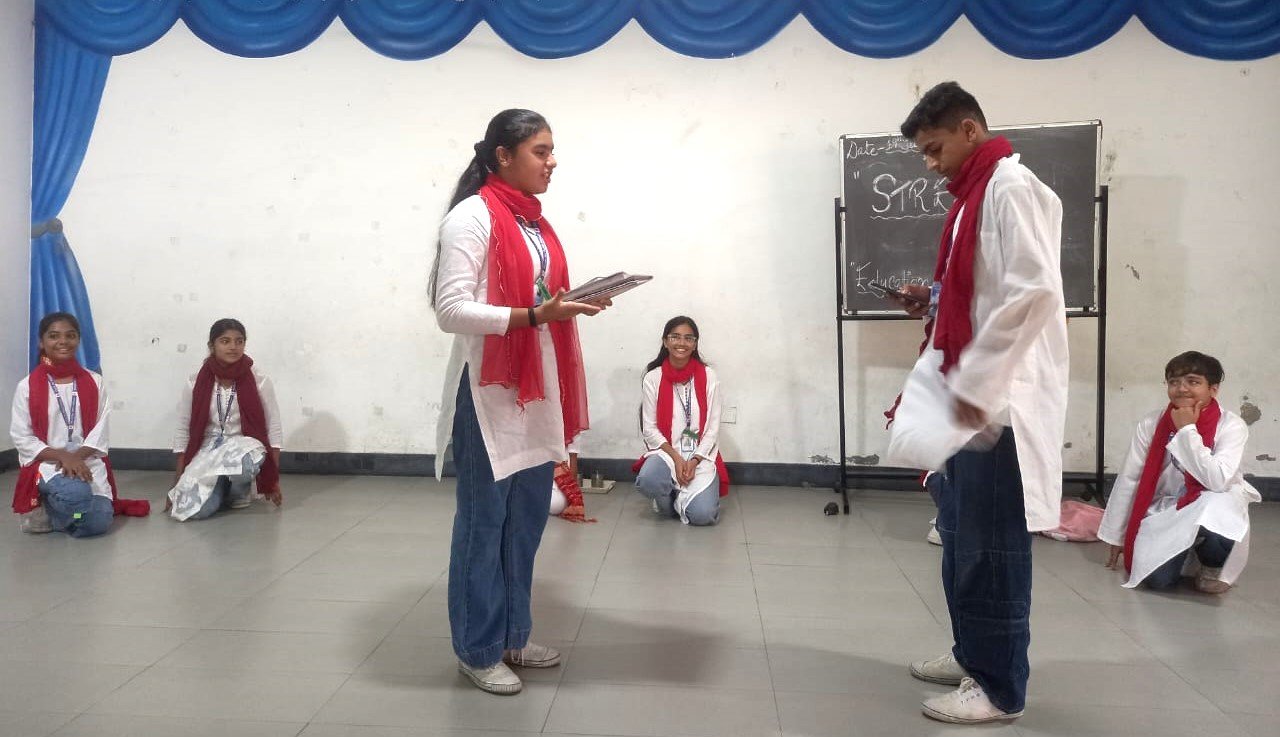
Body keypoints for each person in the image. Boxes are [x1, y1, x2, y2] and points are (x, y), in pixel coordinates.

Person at [889, 82, 1069, 724]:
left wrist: (978, 384)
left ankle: (998, 688)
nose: (929, 163)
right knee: (961, 534)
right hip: (969, 397)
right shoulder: (974, 193)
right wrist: (934, 300)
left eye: (934, 148)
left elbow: (1034, 293)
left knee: (992, 547)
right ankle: (973, 652)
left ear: (969, 129)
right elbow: (988, 291)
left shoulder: (1010, 187)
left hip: (997, 403)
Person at [431, 109, 606, 695]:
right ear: (503, 156)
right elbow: (450, 310)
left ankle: (512, 634)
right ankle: (476, 648)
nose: (553, 161)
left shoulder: (531, 221)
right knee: (484, 524)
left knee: (525, 521)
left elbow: (539, 298)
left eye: (552, 150)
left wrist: (569, 302)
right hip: (488, 394)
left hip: (534, 390)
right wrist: (534, 315)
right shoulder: (471, 217)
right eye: (541, 151)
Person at [1098, 351, 1260, 593]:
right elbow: (1130, 479)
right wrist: (1118, 536)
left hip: (1211, 504)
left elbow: (1216, 480)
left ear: (1213, 389)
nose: (1182, 389)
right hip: (1165, 510)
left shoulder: (1231, 425)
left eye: (1193, 382)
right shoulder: (1151, 423)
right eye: (1174, 382)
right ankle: (1185, 547)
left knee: (1217, 504)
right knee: (1158, 582)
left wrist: (1187, 431)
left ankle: (1212, 563)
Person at [10, 312, 148, 537]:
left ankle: (60, 517)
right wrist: (64, 456)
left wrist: (76, 458)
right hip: (50, 465)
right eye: (54, 336)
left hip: (87, 461)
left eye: (70, 335)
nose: (63, 341)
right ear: (41, 342)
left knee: (96, 522)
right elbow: (22, 437)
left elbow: (100, 430)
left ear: (78, 340)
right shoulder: (27, 386)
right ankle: (57, 502)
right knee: (77, 495)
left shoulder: (94, 381)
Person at [167, 319, 283, 520]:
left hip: (243, 446)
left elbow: (274, 428)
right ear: (212, 346)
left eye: (239, 341)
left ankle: (239, 490)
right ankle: (221, 487)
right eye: (225, 341)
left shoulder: (260, 381)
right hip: (208, 450)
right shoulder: (194, 381)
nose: (233, 347)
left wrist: (272, 480)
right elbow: (183, 429)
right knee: (196, 512)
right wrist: (179, 479)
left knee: (246, 463)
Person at [632, 316, 729, 526]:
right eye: (675, 337)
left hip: (700, 456)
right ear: (665, 341)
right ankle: (667, 500)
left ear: (695, 344)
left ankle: (686, 497)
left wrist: (693, 460)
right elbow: (649, 429)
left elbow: (712, 429)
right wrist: (677, 459)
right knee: (649, 481)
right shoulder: (653, 378)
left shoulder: (709, 376)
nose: (681, 343)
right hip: (667, 453)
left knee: (703, 516)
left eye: (688, 338)